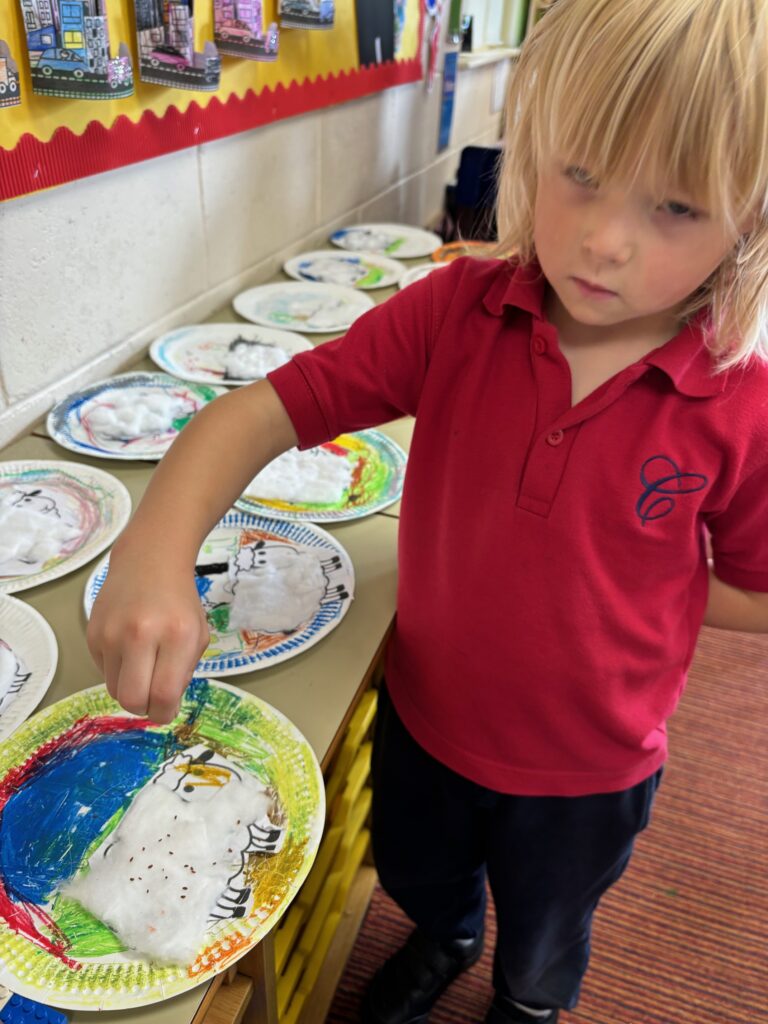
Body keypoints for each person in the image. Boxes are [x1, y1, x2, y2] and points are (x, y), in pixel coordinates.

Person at [86, 1, 768, 1021]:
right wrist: (154, 543)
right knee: (419, 872)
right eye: (577, 172)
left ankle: (527, 1002)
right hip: (425, 718)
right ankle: (447, 936)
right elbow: (258, 412)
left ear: (749, 219)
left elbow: (756, 590)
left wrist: (645, 581)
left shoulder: (740, 399)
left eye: (675, 208)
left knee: (545, 936)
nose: (606, 240)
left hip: (590, 769)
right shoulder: (458, 313)